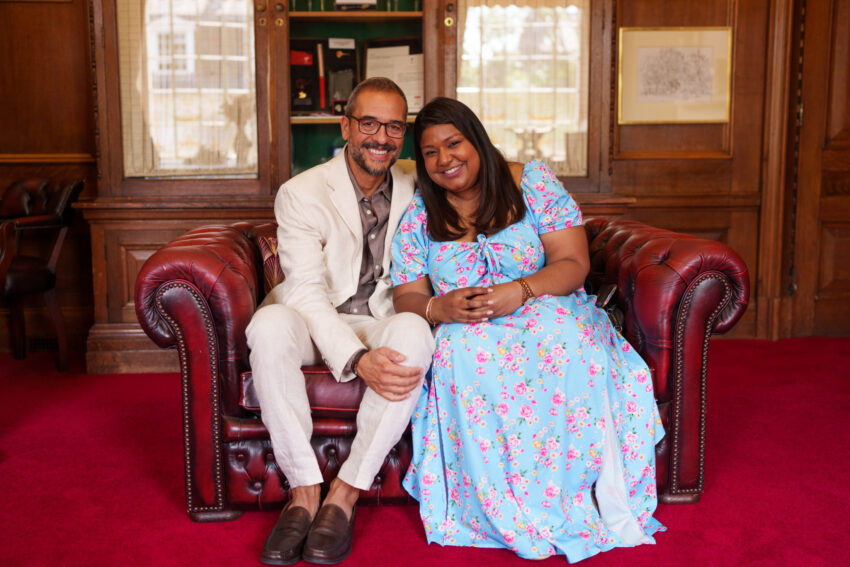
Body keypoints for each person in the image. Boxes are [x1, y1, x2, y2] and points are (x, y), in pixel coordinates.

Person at [390, 97, 665, 562]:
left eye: (453, 143)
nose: (444, 159)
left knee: (564, 340)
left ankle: (567, 497)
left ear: (476, 139)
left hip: (543, 307)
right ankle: (497, 506)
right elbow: (407, 297)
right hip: (468, 325)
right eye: (430, 152)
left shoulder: (531, 182)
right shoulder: (421, 214)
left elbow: (573, 264)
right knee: (457, 352)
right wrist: (440, 306)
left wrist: (520, 291)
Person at [246, 77, 436, 566]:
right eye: (369, 122)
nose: (382, 137)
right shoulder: (301, 192)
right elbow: (307, 293)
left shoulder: (420, 182)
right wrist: (357, 359)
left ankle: (346, 491)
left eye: (395, 126)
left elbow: (480, 168)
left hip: (381, 315)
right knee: (267, 328)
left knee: (415, 332)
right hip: (314, 318)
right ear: (346, 125)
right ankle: (305, 489)